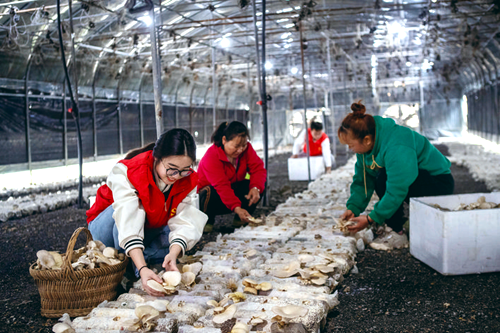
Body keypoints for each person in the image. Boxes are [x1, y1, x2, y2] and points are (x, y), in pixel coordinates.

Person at [86, 129, 207, 296]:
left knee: (172, 240)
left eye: (185, 169)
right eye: (172, 169)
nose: (177, 176)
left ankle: (139, 266)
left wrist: (174, 253)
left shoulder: (188, 179)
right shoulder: (130, 171)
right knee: (125, 214)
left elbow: (187, 219)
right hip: (106, 231)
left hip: (147, 225)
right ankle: (127, 270)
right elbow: (127, 219)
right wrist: (141, 267)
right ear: (157, 158)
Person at [338, 101, 454, 249]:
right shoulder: (366, 149)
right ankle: (405, 223)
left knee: (383, 178)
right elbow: (363, 181)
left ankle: (397, 232)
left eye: (351, 145)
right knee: (382, 177)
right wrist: (353, 208)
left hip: (438, 183)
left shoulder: (397, 144)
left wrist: (370, 218)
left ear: (366, 140)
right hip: (416, 180)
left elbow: (397, 188)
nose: (350, 149)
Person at [197, 121, 267, 232]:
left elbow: (258, 169)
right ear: (224, 140)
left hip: (229, 192)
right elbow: (222, 186)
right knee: (209, 191)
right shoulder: (211, 156)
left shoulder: (247, 150)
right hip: (211, 198)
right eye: (236, 146)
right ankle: (206, 220)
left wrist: (256, 188)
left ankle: (240, 220)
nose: (240, 150)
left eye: (243, 146)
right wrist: (237, 207)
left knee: (258, 184)